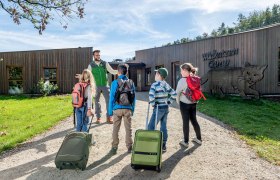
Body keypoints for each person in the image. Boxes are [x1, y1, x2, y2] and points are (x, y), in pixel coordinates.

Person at [109, 64, 136, 154]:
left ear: (118, 72)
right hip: (128, 108)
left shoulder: (114, 82)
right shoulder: (131, 82)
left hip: (117, 109)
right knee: (128, 128)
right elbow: (133, 98)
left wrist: (110, 111)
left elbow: (112, 97)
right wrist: (132, 109)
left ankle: (114, 147)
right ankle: (129, 147)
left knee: (115, 128)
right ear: (126, 72)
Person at [148, 68, 177, 152]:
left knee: (151, 125)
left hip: (158, 108)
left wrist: (153, 103)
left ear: (159, 75)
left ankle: (150, 142)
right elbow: (174, 94)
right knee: (163, 126)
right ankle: (163, 144)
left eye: (156, 74)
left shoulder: (154, 85)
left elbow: (151, 96)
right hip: (165, 107)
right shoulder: (166, 84)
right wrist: (169, 102)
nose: (155, 75)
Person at [87, 50, 118, 124]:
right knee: (97, 102)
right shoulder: (91, 65)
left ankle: (109, 117)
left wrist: (121, 71)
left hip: (105, 85)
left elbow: (112, 71)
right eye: (96, 55)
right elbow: (88, 75)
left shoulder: (105, 63)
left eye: (99, 55)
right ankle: (98, 118)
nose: (98, 56)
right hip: (95, 86)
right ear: (94, 56)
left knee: (109, 101)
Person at [176, 63, 202, 148]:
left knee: (185, 122)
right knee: (194, 120)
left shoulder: (182, 80)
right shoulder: (195, 79)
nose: (180, 72)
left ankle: (185, 141)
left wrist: (178, 102)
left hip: (184, 104)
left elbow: (177, 93)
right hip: (193, 103)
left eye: (181, 70)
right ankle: (199, 139)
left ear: (184, 70)